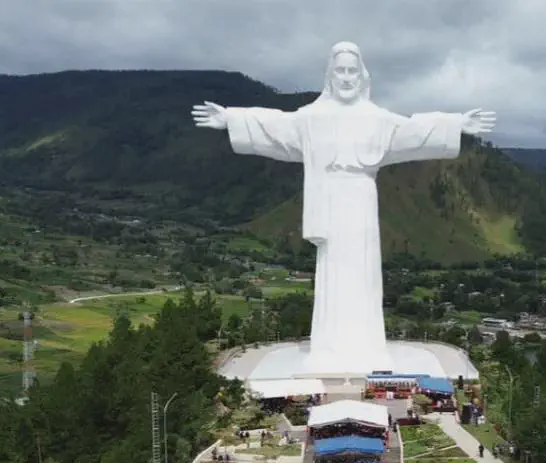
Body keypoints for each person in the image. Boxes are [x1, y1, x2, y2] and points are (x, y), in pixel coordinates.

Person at [192, 41, 495, 374]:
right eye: (340, 70)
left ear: (361, 75)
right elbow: (276, 126)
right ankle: (329, 346)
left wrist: (456, 124)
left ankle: (367, 347)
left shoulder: (377, 119)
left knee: (362, 273)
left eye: (352, 70)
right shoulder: (312, 118)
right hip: (328, 203)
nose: (347, 77)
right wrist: (231, 119)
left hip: (361, 202)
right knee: (333, 274)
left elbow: (413, 130)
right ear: (330, 75)